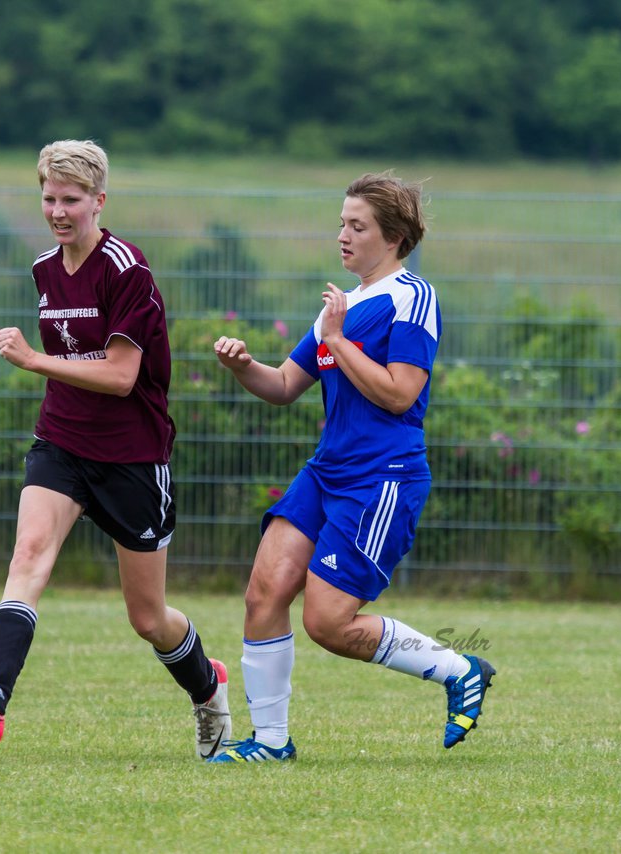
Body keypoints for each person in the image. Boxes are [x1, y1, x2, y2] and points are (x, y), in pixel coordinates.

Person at [0, 139, 231, 759]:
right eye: (48, 198)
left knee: (149, 618)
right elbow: (72, 370)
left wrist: (35, 359)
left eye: (71, 200)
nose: (59, 211)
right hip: (63, 440)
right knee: (29, 556)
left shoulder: (128, 270)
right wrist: (48, 368)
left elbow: (122, 376)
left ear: (99, 200)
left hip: (132, 455)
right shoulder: (44, 268)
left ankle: (208, 689)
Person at [207, 171, 495, 763]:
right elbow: (285, 385)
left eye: (356, 225)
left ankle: (457, 668)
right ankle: (270, 743)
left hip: (381, 478)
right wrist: (243, 366)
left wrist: (338, 341)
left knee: (329, 624)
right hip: (327, 471)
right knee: (263, 593)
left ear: (391, 237)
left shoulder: (412, 297)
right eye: (341, 222)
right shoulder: (343, 306)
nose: (343, 234)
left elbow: (399, 393)